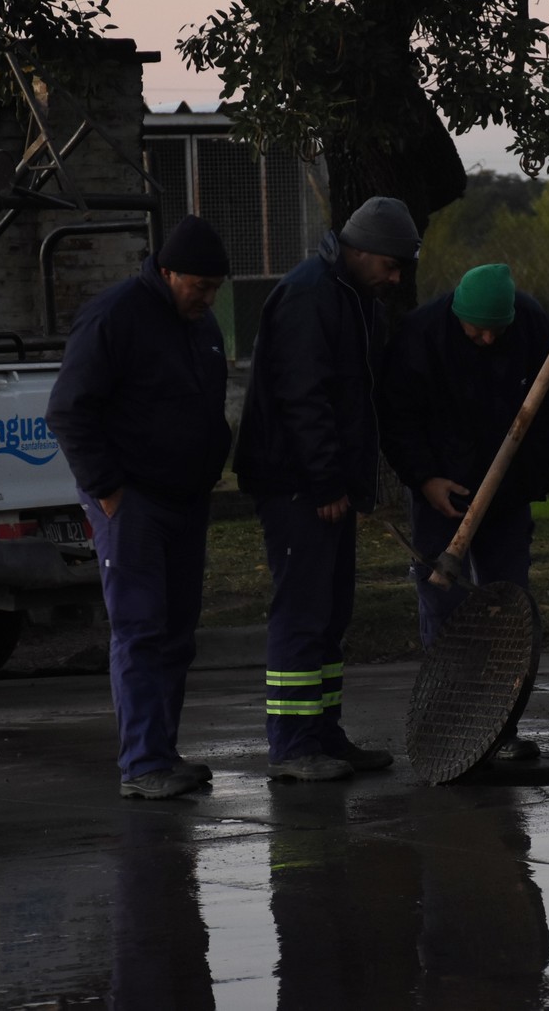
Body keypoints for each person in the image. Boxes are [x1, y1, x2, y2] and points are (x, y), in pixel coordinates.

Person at [233, 196, 421, 782]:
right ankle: (293, 744)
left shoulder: (353, 298)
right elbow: (303, 397)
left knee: (331, 613)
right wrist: (324, 482)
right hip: (298, 486)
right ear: (360, 250)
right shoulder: (312, 295)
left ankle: (323, 733)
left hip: (325, 485)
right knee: (303, 611)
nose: (395, 278)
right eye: (390, 265)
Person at [46, 214, 234, 800]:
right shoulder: (116, 315)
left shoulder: (198, 326)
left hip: (184, 498)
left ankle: (163, 752)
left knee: (177, 629)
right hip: (133, 501)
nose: (206, 299)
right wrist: (108, 489)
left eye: (214, 289)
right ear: (167, 270)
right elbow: (69, 409)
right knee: (141, 626)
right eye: (197, 287)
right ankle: (143, 763)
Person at [377, 263, 549, 761]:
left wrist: (527, 475)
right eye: (474, 329)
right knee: (444, 607)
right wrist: (425, 478)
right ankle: (448, 722)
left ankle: (500, 729)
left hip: (506, 491)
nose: (485, 339)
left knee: (508, 603)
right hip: (443, 488)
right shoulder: (421, 335)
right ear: (456, 313)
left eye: (494, 330)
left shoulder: (530, 326)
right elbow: (399, 416)